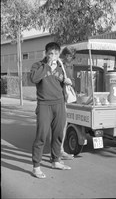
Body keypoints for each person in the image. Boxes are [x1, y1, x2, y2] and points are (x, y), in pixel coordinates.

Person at [30, 42, 72, 179]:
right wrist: (48, 65)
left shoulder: (62, 67)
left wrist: (68, 81)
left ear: (59, 54)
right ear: (46, 53)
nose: (53, 56)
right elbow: (34, 78)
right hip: (44, 104)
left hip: (59, 104)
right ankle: (36, 166)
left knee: (58, 134)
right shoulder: (38, 66)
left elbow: (69, 83)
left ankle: (56, 161)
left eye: (55, 53)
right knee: (41, 136)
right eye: (50, 53)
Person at [58, 46, 76, 160]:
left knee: (63, 125)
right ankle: (57, 152)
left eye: (73, 57)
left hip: (63, 97)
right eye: (71, 56)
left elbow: (71, 80)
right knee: (58, 126)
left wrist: (71, 82)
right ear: (66, 55)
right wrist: (64, 80)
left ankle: (60, 150)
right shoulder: (59, 64)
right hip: (56, 97)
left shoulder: (69, 66)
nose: (72, 59)